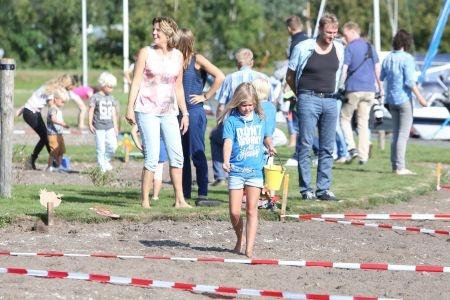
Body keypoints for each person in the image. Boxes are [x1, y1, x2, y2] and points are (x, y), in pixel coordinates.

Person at [125, 16, 191, 209]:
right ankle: (145, 201)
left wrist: (184, 113)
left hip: (169, 111)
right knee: (152, 157)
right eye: (153, 30)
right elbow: (136, 81)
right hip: (146, 110)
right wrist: (130, 107)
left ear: (168, 33)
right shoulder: (146, 53)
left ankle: (180, 200)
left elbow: (178, 87)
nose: (154, 33)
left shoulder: (178, 56)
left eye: (158, 31)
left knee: (177, 155)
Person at [286, 13, 344, 201]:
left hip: (331, 100)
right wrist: (301, 94)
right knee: (306, 144)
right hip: (308, 98)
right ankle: (306, 189)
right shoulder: (303, 48)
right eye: (329, 32)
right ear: (319, 30)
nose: (332, 36)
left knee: (327, 147)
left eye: (335, 32)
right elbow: (290, 76)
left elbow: (340, 72)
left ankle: (324, 189)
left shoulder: (339, 48)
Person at [220, 82, 276, 258]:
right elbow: (228, 142)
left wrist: (270, 145)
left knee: (252, 210)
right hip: (236, 171)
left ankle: (249, 248)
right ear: (237, 103)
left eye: (250, 105)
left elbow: (265, 137)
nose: (247, 108)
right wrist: (226, 160)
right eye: (243, 105)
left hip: (255, 171)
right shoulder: (231, 121)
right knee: (234, 212)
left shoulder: (260, 118)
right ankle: (240, 237)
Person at [210, 48, 273, 186]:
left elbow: (221, 106)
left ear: (237, 63)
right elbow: (270, 104)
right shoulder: (264, 78)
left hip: (235, 124)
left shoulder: (230, 78)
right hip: (256, 126)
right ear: (252, 62)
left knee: (215, 137)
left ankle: (220, 176)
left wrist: (219, 124)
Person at [177, 28, 225, 205]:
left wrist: (205, 96)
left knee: (197, 153)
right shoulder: (175, 60)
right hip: (178, 113)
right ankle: (185, 194)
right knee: (181, 156)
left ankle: (203, 193)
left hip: (195, 112)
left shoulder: (197, 59)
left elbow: (220, 76)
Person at [381, 29, 427, 175]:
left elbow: (382, 77)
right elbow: (409, 81)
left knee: (395, 133)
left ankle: (395, 165)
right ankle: (400, 167)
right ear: (407, 43)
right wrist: (421, 98)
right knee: (403, 134)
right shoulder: (407, 58)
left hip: (390, 100)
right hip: (404, 100)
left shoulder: (388, 58)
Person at [340, 21, 383, 165]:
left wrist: (340, 85)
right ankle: (363, 156)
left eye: (346, 34)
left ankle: (352, 148)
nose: (345, 38)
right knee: (363, 123)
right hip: (370, 90)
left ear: (353, 31)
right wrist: (379, 87)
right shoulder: (370, 47)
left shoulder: (350, 48)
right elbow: (377, 68)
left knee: (344, 118)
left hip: (353, 88)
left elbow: (344, 69)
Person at [20, 74, 76, 170]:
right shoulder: (52, 91)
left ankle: (41, 161)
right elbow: (52, 106)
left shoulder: (50, 86)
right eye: (68, 89)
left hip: (31, 111)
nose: (68, 91)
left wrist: (22, 108)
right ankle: (51, 162)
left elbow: (34, 97)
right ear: (66, 85)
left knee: (45, 137)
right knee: (46, 137)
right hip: (31, 113)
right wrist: (59, 120)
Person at [284, 15, 309, 164]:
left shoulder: (296, 43)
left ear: (289, 29)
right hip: (310, 84)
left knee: (300, 123)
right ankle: (314, 151)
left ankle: (299, 154)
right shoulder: (309, 39)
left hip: (300, 86)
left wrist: (294, 90)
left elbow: (293, 69)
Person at [88, 72, 119, 173]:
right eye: (110, 87)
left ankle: (105, 160)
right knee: (100, 148)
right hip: (99, 127)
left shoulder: (111, 98)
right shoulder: (95, 97)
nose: (112, 89)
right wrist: (90, 123)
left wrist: (116, 126)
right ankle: (101, 168)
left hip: (110, 126)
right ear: (103, 85)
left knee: (113, 146)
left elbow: (114, 113)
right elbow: (91, 111)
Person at [131, 124, 167, 201]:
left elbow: (133, 131)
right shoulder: (163, 116)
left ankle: (145, 195)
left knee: (148, 171)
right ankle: (155, 196)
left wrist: (139, 146)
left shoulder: (146, 115)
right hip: (161, 147)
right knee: (158, 173)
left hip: (149, 146)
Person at [46, 87, 70, 172]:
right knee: (54, 151)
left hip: (59, 134)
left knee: (61, 151)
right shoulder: (52, 109)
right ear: (55, 99)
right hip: (53, 134)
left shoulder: (57, 109)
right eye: (62, 102)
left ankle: (59, 166)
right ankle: (49, 167)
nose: (63, 104)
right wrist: (62, 123)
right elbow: (53, 119)